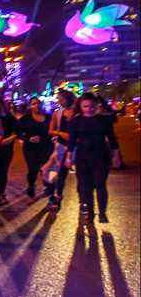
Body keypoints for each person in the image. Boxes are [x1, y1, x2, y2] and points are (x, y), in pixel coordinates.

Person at [66, 93, 122, 222]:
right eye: (85, 106)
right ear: (80, 106)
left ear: (96, 105)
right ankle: (90, 213)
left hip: (101, 155)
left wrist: (116, 155)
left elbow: (112, 139)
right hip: (83, 156)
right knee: (86, 186)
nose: (89, 109)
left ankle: (102, 213)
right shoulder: (76, 121)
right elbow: (72, 141)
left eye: (91, 106)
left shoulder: (104, 120)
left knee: (100, 183)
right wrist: (69, 158)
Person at [47, 89, 77, 210]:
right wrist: (61, 133)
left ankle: (83, 201)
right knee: (61, 173)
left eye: (62, 100)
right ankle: (58, 196)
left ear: (69, 99)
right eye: (59, 100)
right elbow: (51, 131)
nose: (60, 102)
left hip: (77, 147)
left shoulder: (78, 112)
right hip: (62, 147)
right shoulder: (58, 113)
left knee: (81, 174)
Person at [18, 97, 50, 198]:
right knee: (33, 168)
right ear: (30, 106)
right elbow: (18, 132)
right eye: (34, 104)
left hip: (45, 146)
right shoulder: (25, 118)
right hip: (30, 148)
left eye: (39, 103)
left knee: (46, 167)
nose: (37, 106)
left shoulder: (48, 117)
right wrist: (28, 138)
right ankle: (31, 186)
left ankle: (47, 186)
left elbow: (53, 130)